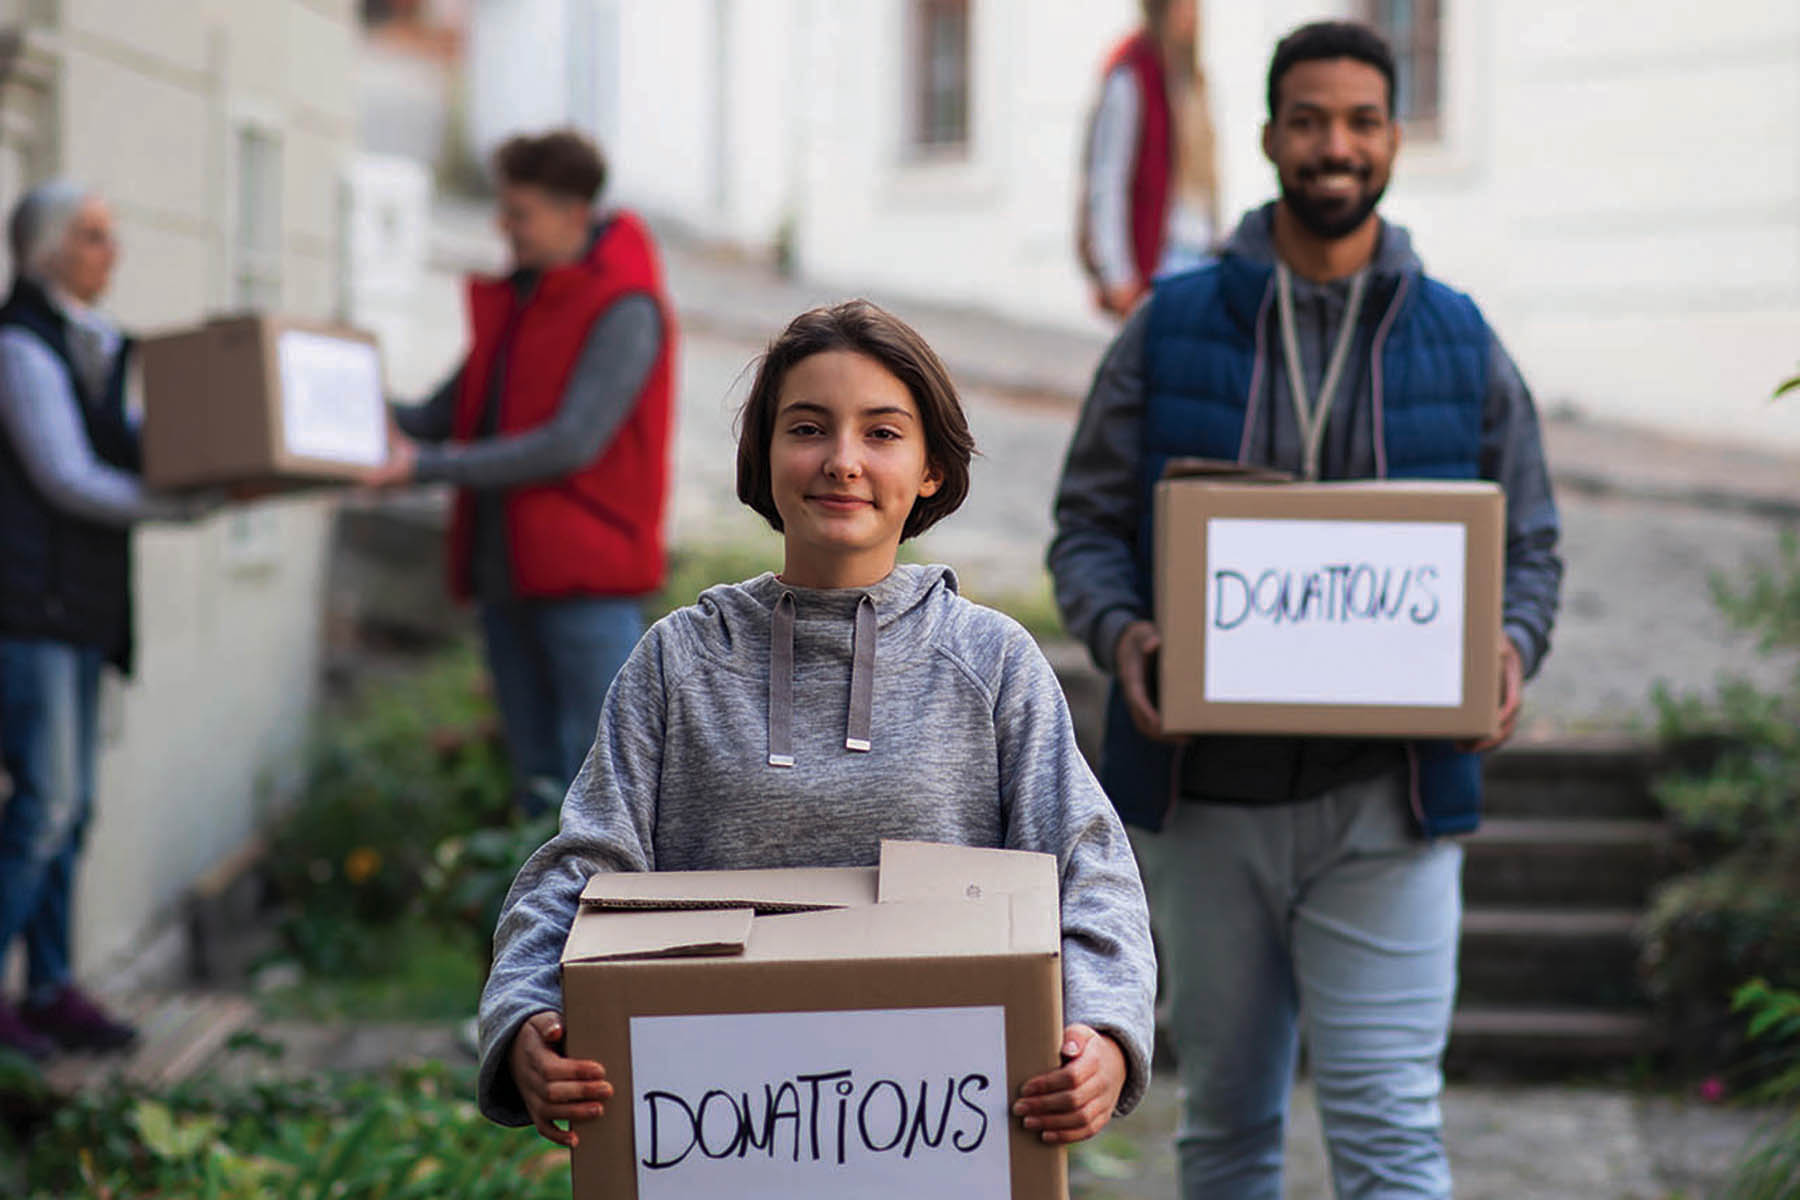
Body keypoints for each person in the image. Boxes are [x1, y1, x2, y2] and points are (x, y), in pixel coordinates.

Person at [1050, 21, 1563, 1199]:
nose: (1337, 145)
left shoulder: (1461, 337)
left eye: (1363, 122)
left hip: (1389, 803)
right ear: (1272, 134)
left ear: (1392, 139)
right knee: (1224, 1133)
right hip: (1205, 804)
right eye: (1312, 120)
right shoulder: (1169, 326)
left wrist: (1511, 647)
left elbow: (1528, 543)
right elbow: (1085, 524)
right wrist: (1125, 633)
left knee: (1390, 1142)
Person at [476, 300, 1157, 1153]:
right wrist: (528, 1015)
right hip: (716, 1142)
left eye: (881, 434)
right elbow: (581, 866)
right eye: (808, 428)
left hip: (947, 1144)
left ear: (932, 468)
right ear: (763, 457)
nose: (842, 462)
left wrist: (1104, 1035)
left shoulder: (992, 662)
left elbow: (1091, 867)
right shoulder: (678, 662)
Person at [375, 129, 676, 816]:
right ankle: (542, 926)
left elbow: (571, 443)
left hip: (586, 587)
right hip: (507, 578)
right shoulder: (522, 297)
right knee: (536, 786)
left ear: (575, 214)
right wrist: (331, 403)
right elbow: (440, 413)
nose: (502, 226)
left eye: (519, 212)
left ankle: (602, 927)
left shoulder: (627, 308)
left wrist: (423, 469)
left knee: (603, 791)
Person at [0, 181, 216, 1059]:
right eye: (92, 236)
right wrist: (184, 509)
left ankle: (49, 988)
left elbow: (135, 442)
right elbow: (66, 476)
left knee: (74, 810)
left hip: (82, 611)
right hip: (32, 611)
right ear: (47, 250)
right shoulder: (21, 346)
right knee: (46, 807)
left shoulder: (95, 344)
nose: (109, 251)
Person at [1078, 0, 1220, 318]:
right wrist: (1117, 274)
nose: (1192, 14)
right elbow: (1109, 176)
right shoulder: (1132, 74)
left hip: (1198, 254)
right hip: (1156, 259)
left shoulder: (1189, 74)